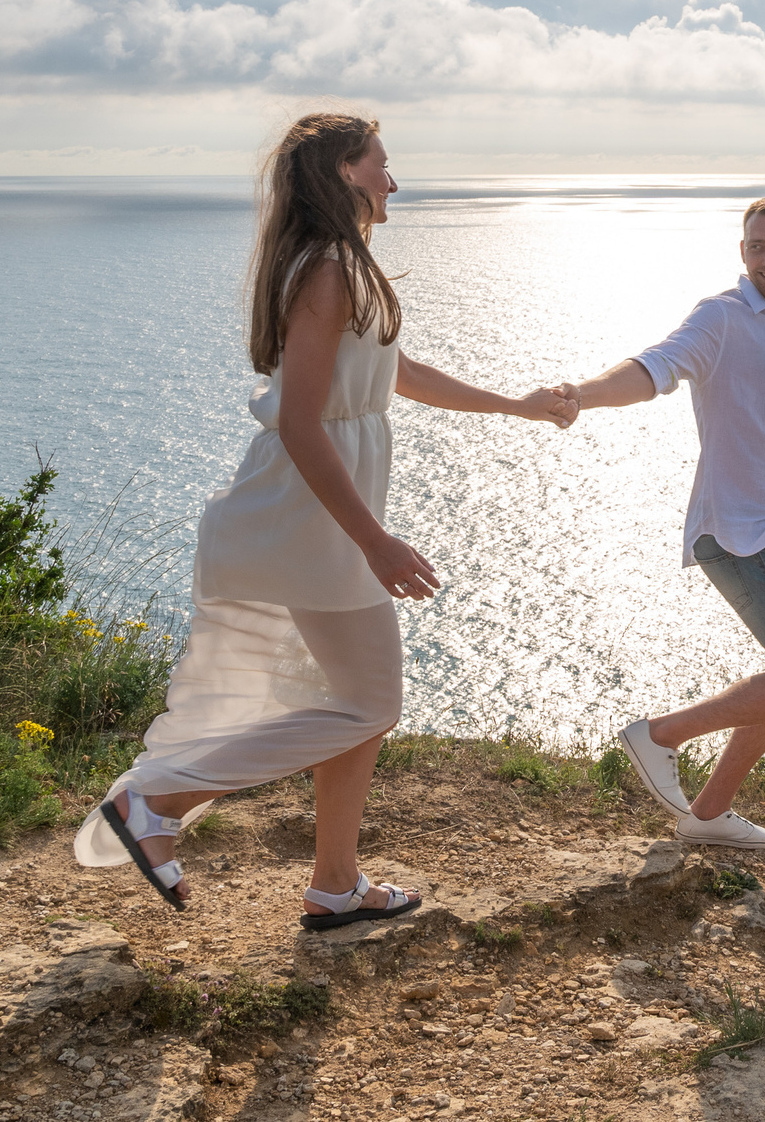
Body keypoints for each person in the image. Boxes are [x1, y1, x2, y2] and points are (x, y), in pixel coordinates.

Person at [74, 113, 573, 930]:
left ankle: (335, 883)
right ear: (345, 171)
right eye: (382, 163)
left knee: (360, 700)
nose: (394, 180)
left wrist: (513, 405)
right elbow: (303, 423)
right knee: (372, 702)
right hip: (307, 514)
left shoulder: (342, 265)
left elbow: (391, 369)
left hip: (316, 512)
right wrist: (372, 540)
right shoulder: (329, 270)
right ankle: (156, 801)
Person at [564, 193, 765, 850]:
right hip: (741, 532)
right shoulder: (721, 318)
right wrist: (586, 393)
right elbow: (656, 365)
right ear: (742, 252)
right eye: (757, 246)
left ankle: (709, 813)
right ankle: (660, 734)